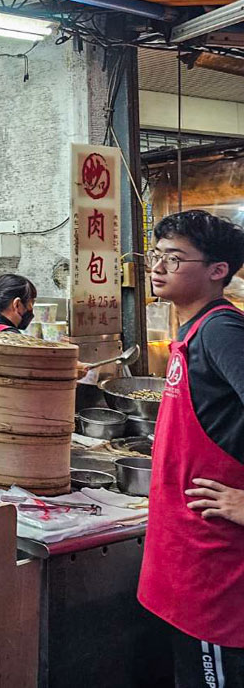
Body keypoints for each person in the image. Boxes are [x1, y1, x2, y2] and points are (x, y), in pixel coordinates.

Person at [136, 210, 244, 685]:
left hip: (215, 566)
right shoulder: (189, 332)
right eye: (156, 256)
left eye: (174, 258)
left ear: (217, 270)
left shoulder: (222, 331)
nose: (158, 267)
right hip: (185, 556)